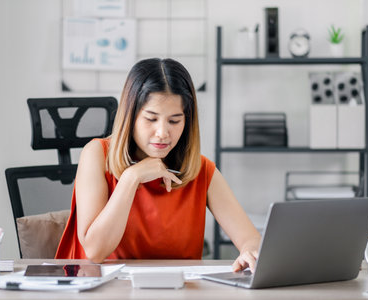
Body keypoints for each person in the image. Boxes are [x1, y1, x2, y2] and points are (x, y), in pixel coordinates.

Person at [55, 58, 261, 272]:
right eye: (151, 119)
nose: (163, 133)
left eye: (174, 121)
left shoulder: (200, 169)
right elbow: (95, 251)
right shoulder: (97, 155)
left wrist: (250, 251)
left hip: (178, 293)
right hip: (110, 292)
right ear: (130, 116)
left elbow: (251, 241)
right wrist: (132, 177)